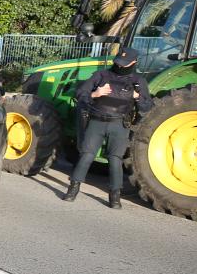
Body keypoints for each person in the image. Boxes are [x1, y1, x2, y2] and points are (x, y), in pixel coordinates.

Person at [63, 49, 152, 208]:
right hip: (97, 122)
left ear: (134, 63)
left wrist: (137, 98)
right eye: (117, 63)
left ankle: (115, 197)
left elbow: (147, 107)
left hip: (119, 124)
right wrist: (95, 94)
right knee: (87, 155)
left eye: (124, 64)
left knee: (114, 160)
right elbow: (80, 93)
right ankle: (72, 189)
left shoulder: (138, 81)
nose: (119, 66)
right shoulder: (101, 75)